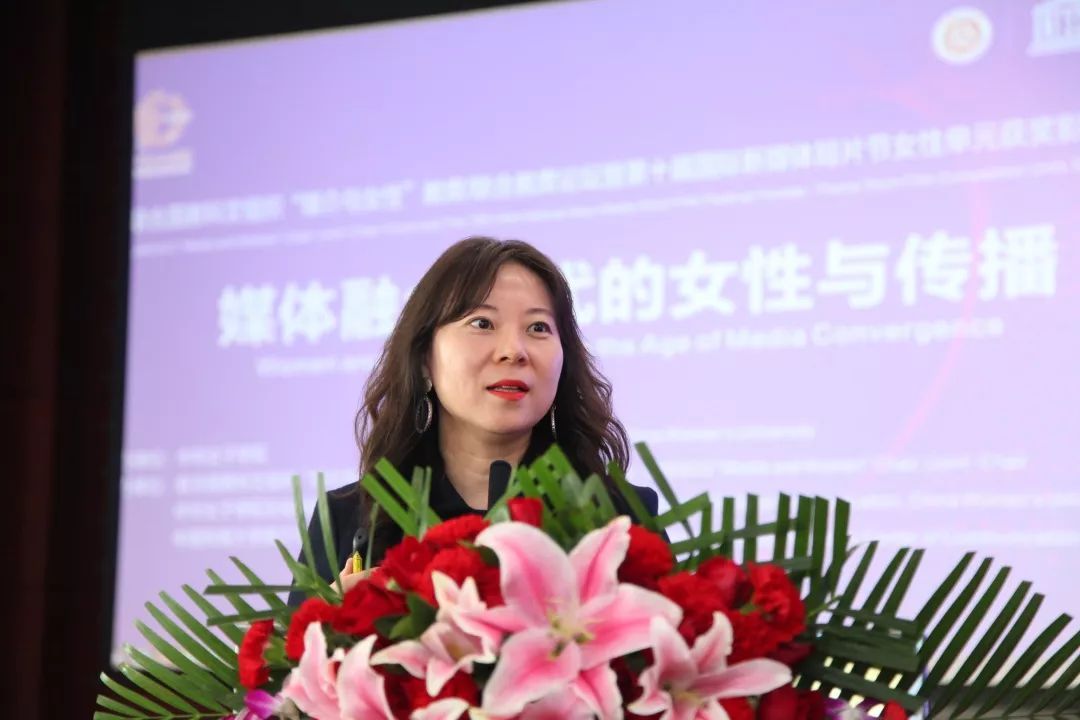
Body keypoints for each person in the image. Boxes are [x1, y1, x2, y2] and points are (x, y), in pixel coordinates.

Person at [288, 237, 660, 606]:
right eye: (482, 323)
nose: (514, 351)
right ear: (424, 360)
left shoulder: (617, 518)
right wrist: (332, 619)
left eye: (538, 327)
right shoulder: (348, 520)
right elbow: (293, 647)